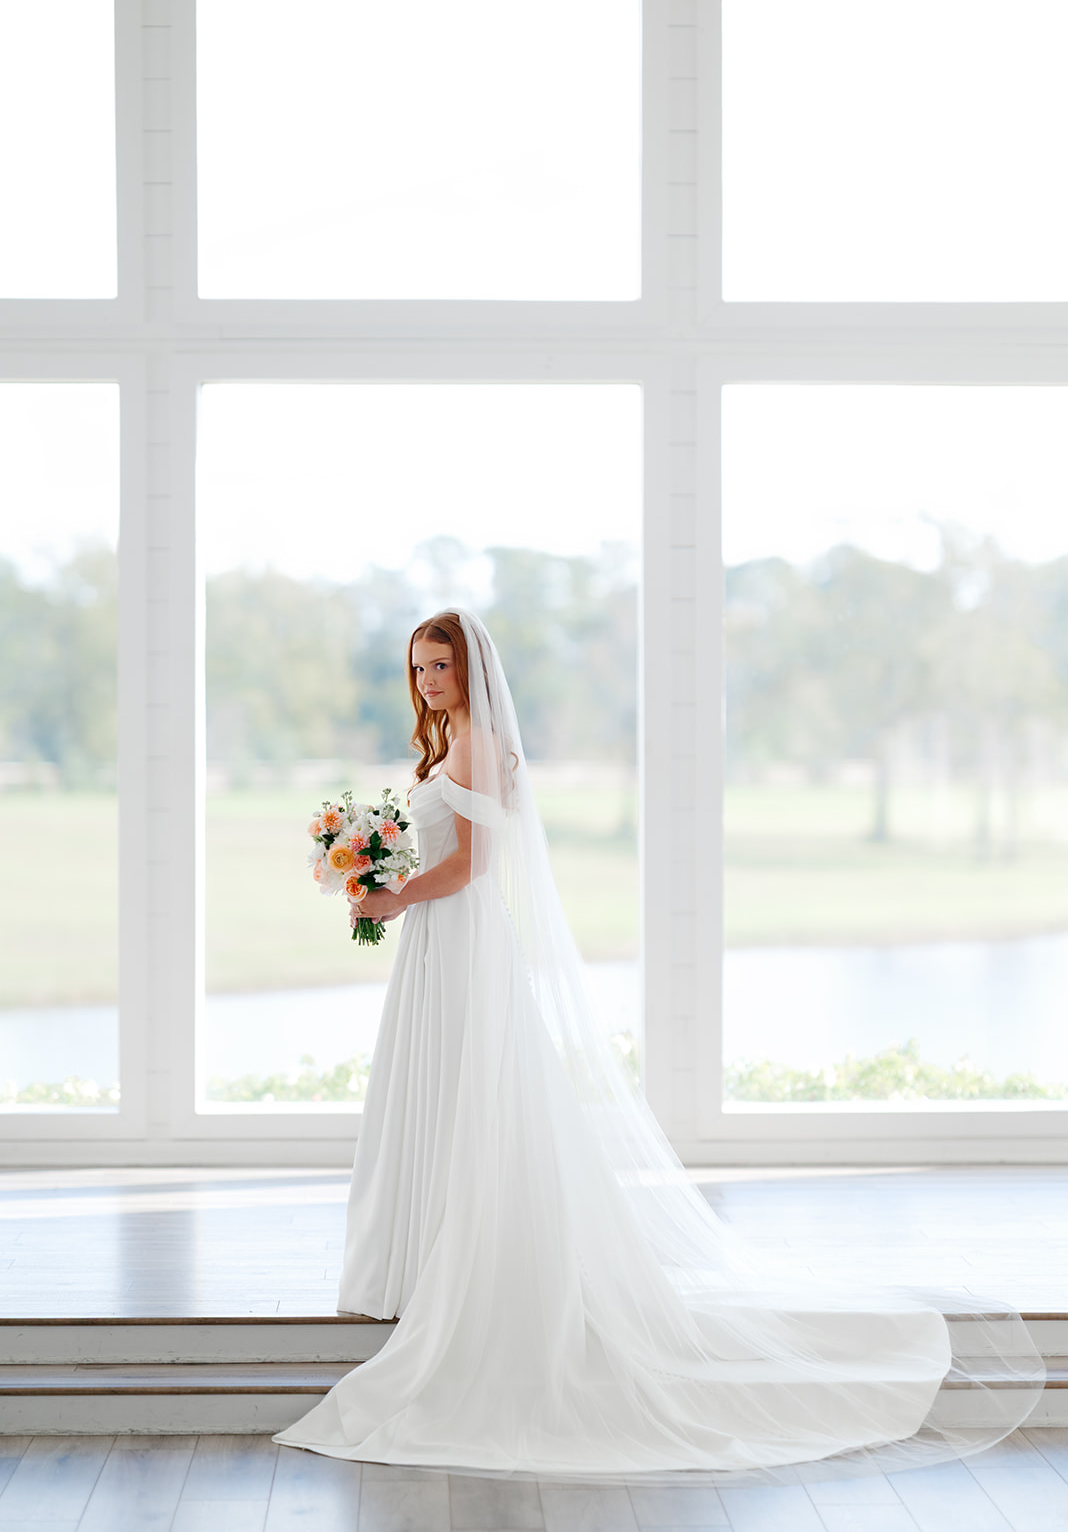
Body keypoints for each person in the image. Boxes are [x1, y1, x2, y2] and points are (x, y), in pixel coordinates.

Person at [274, 608, 1042, 1482]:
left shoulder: (478, 741)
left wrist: (396, 895)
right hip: (435, 942)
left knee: (478, 1095)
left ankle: (480, 1266)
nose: (428, 681)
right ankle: (422, 1262)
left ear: (471, 670)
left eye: (441, 665)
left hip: (461, 937)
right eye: (418, 668)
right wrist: (375, 875)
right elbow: (438, 847)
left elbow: (478, 864)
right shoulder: (447, 739)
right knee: (440, 1093)